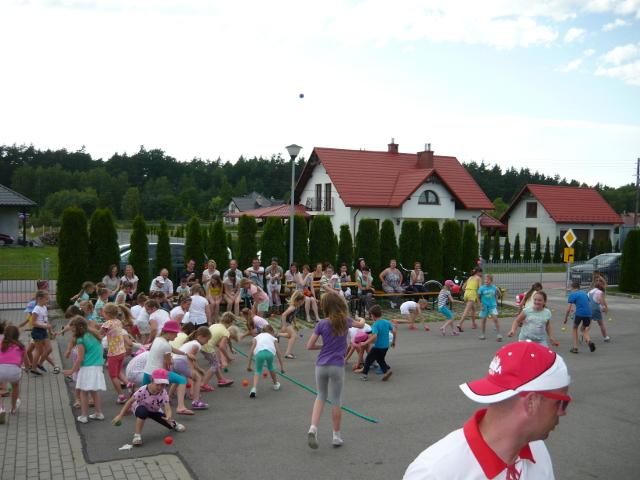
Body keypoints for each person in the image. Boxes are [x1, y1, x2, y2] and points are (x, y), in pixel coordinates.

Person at [403, 341, 571, 479]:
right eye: (561, 402)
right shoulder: (434, 473)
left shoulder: (536, 448)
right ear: (531, 402)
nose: (562, 412)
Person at [306, 292, 365, 449]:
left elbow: (309, 345)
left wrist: (323, 346)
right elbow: (361, 325)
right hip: (337, 365)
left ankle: (313, 428)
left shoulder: (321, 324)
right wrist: (362, 319)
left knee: (320, 396)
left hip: (321, 365)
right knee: (336, 399)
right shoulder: (345, 321)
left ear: (324, 306)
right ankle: (336, 436)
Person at [112, 368, 186, 446]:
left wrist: (168, 416)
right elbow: (130, 401)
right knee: (142, 412)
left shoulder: (163, 392)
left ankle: (175, 424)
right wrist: (120, 415)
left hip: (155, 410)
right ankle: (137, 436)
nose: (160, 387)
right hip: (140, 407)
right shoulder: (143, 390)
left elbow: (167, 408)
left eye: (163, 385)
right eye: (157, 384)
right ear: (152, 380)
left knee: (169, 423)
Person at [142, 320, 195, 415]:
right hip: (156, 374)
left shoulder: (158, 339)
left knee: (143, 395)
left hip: (147, 372)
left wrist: (186, 354)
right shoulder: (165, 345)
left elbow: (172, 349)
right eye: (175, 333)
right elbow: (168, 363)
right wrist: (171, 363)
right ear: (170, 333)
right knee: (182, 380)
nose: (177, 336)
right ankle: (180, 407)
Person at [63, 316, 106, 423]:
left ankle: (84, 416)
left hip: (87, 368)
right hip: (97, 366)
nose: (72, 332)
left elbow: (80, 358)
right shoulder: (93, 334)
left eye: (73, 329)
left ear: (79, 327)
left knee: (83, 392)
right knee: (94, 391)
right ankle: (98, 413)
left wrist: (72, 370)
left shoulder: (80, 340)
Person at [172, 326, 212, 410]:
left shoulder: (192, 342)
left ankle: (169, 396)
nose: (207, 342)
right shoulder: (197, 345)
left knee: (178, 379)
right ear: (200, 337)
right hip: (181, 362)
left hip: (174, 361)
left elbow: (192, 358)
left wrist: (198, 368)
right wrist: (193, 370)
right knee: (197, 378)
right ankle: (196, 401)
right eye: (207, 340)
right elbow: (190, 357)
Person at [101, 303, 132, 404]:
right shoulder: (118, 321)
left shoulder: (107, 324)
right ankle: (129, 384)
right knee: (118, 372)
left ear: (107, 314)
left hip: (113, 354)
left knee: (113, 376)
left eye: (103, 313)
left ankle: (121, 396)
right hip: (122, 352)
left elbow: (99, 334)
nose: (102, 314)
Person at [355, 305, 396, 381]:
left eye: (371, 315)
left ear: (373, 315)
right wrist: (393, 341)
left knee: (368, 360)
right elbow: (394, 331)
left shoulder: (375, 324)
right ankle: (386, 373)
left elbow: (374, 336)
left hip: (378, 347)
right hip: (385, 346)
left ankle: (364, 376)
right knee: (380, 360)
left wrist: (365, 343)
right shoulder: (386, 322)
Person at [246, 324, 284, 398]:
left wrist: (249, 365)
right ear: (271, 331)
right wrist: (282, 367)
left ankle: (254, 389)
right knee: (270, 367)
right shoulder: (273, 338)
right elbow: (278, 353)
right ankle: (276, 384)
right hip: (270, 353)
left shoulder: (257, 337)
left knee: (258, 370)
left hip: (259, 353)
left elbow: (251, 351)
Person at [200, 312, 235, 389]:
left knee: (215, 363)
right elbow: (222, 347)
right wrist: (228, 358)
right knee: (215, 365)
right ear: (231, 322)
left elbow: (214, 340)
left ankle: (221, 380)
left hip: (202, 346)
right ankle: (203, 384)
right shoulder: (225, 332)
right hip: (208, 348)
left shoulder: (214, 325)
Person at [30, 290, 60, 374]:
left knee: (49, 349)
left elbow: (46, 321)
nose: (47, 301)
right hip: (37, 331)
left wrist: (51, 331)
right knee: (39, 351)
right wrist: (44, 326)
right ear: (39, 299)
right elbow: (33, 323)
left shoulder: (44, 307)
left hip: (44, 331)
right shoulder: (36, 309)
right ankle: (33, 368)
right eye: (46, 299)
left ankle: (39, 363)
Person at [0, 326, 25, 422]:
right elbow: (24, 362)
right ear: (17, 335)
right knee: (15, 386)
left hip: (0, 370)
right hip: (14, 371)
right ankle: (13, 408)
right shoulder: (21, 346)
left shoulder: (1, 343)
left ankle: (1, 408)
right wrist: (27, 368)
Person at [564, 281, 595, 354]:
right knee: (583, 329)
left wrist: (566, 318)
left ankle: (575, 348)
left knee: (575, 328)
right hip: (588, 314)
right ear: (579, 287)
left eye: (571, 288)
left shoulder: (572, 294)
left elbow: (568, 309)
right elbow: (585, 304)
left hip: (580, 313)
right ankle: (589, 341)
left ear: (572, 288)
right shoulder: (584, 293)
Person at [279, 291, 304, 359]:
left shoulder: (296, 306)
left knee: (290, 336)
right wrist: (284, 326)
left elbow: (293, 315)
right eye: (302, 301)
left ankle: (277, 334)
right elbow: (283, 315)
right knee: (294, 336)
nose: (303, 303)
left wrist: (295, 324)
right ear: (298, 301)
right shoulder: (292, 307)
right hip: (286, 322)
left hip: (288, 322)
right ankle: (287, 353)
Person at [477, 274, 502, 342]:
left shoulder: (494, 287)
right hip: (484, 307)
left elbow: (499, 294)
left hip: (492, 306)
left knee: (495, 319)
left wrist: (498, 293)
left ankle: (499, 334)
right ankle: (483, 334)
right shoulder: (482, 288)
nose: (486, 281)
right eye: (485, 280)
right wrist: (480, 306)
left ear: (491, 281)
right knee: (483, 320)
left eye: (488, 280)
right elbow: (478, 298)